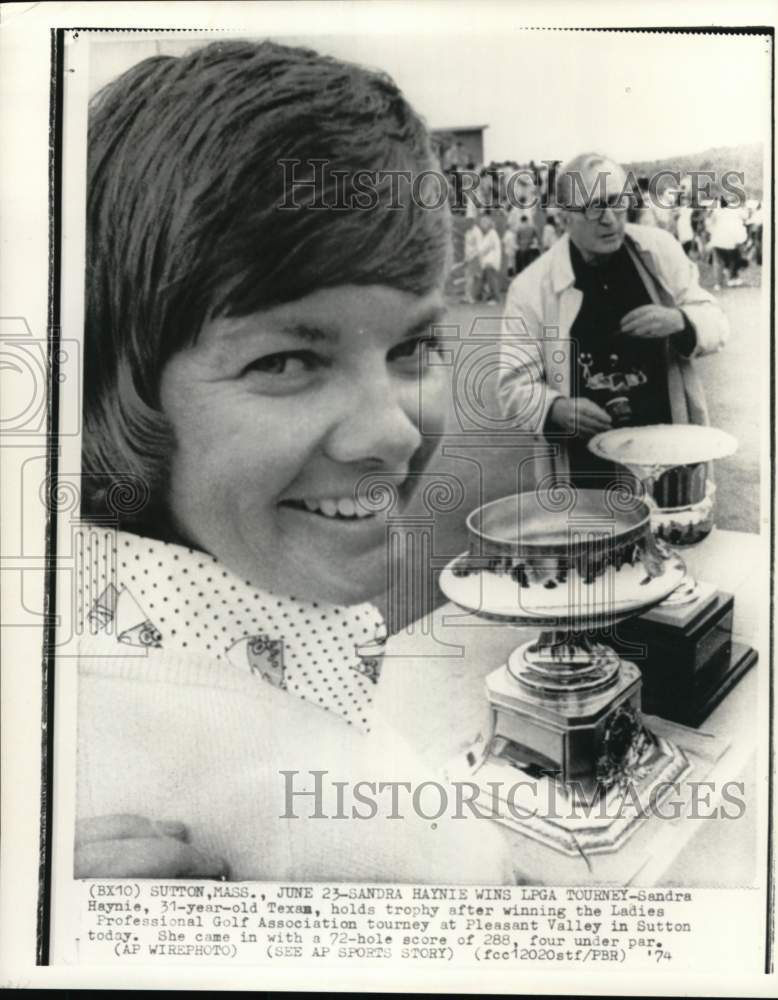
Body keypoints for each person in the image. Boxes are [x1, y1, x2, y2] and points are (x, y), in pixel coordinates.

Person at [76, 39, 514, 883]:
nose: (393, 433)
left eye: (414, 344)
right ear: (119, 387)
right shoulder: (356, 838)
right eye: (284, 361)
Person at [496, 152, 729, 489]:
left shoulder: (659, 251)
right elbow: (513, 386)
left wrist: (680, 320)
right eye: (594, 207)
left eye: (617, 203)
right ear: (563, 219)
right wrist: (556, 408)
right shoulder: (530, 288)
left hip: (666, 449)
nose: (610, 219)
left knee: (672, 533)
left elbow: (717, 321)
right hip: (584, 468)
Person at [707, 195, 749, 289]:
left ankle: (718, 283)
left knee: (718, 262)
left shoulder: (716, 211)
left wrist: (712, 233)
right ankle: (731, 279)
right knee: (732, 260)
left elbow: (710, 223)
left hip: (717, 239)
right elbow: (745, 217)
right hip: (731, 240)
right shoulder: (735, 210)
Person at [478, 213, 502, 303]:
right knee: (486, 280)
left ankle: (495, 298)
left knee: (492, 281)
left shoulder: (492, 234)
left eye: (483, 224)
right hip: (487, 261)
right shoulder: (489, 234)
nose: (481, 227)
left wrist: (479, 250)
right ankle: (485, 296)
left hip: (491, 261)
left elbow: (484, 248)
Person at [463, 216, 483, 301]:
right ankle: (470, 296)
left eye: (468, 222)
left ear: (472, 223)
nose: (466, 224)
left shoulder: (477, 232)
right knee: (471, 277)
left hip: (475, 257)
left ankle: (470, 297)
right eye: (466, 222)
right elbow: (467, 246)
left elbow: (479, 248)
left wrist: (471, 258)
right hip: (469, 257)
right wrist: (466, 258)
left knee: (470, 277)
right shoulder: (467, 232)